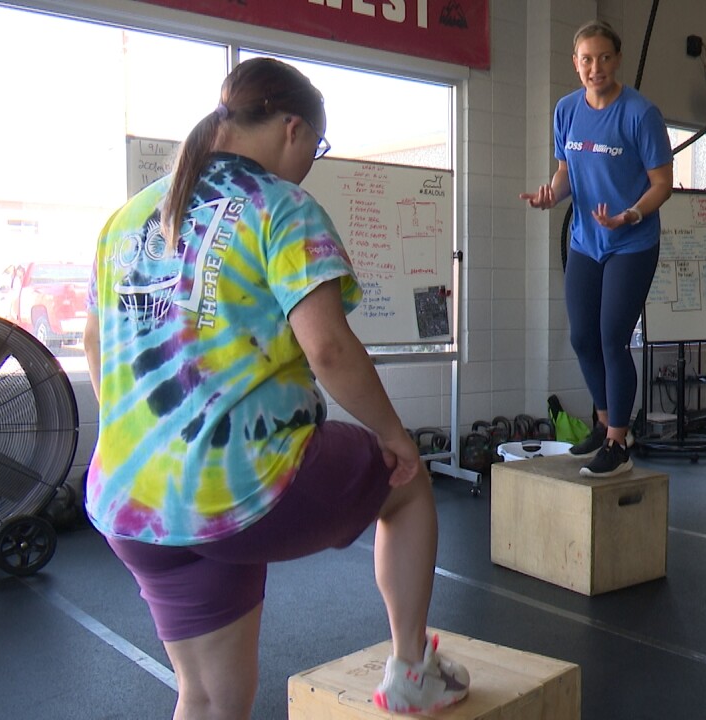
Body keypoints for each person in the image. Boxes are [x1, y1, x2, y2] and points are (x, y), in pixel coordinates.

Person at [82, 57, 468, 719]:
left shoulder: (130, 216)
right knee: (408, 487)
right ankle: (410, 670)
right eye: (315, 147)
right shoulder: (279, 207)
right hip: (236, 483)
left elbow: (94, 346)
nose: (310, 161)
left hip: (131, 500)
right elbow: (328, 347)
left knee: (207, 700)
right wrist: (394, 437)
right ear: (292, 128)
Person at [520, 20, 674, 478]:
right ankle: (603, 420)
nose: (595, 67)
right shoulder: (566, 110)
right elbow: (566, 171)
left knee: (612, 338)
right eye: (586, 59)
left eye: (604, 58)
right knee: (582, 337)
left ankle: (618, 442)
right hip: (587, 241)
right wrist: (552, 192)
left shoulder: (640, 114)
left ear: (617, 60)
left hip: (632, 241)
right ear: (575, 63)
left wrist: (631, 215)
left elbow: (662, 184)